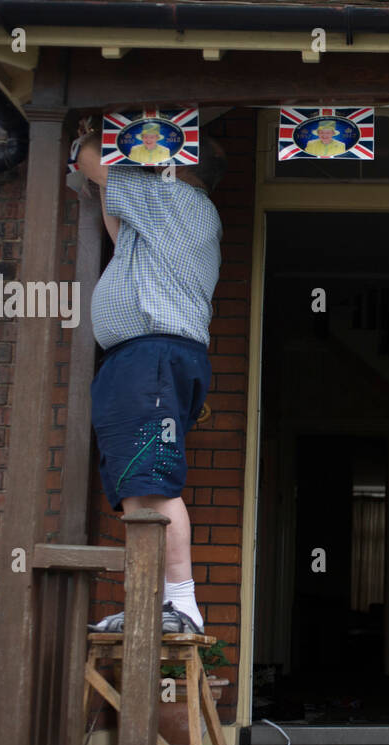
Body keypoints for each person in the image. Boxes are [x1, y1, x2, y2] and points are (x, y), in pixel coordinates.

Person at [74, 121, 227, 635]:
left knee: (153, 482)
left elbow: (94, 164)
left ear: (179, 168)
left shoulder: (175, 201)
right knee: (138, 486)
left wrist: (93, 133)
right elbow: (114, 214)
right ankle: (155, 604)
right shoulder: (162, 217)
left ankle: (180, 605)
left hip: (150, 358)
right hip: (145, 358)